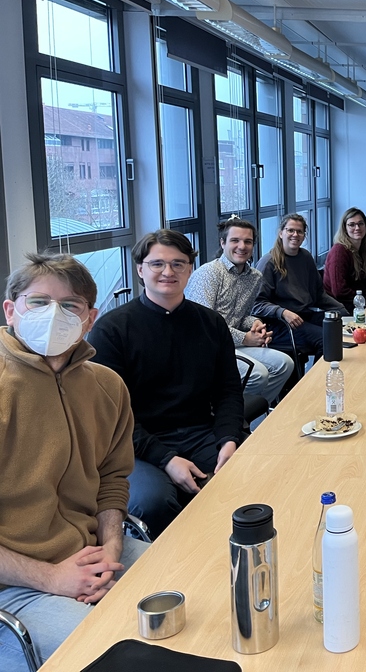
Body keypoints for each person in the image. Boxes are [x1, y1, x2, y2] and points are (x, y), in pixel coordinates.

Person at [0, 254, 146, 669]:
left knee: (197, 590)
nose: (53, 314)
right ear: (10, 311)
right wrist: (52, 578)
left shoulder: (106, 386)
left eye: (70, 305)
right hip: (13, 584)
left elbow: (112, 478)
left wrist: (111, 546)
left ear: (89, 319)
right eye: (38, 302)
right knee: (116, 653)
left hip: (91, 551)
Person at [90, 229, 245, 538]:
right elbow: (112, 418)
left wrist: (229, 438)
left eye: (178, 264)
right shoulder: (111, 330)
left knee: (248, 474)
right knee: (154, 502)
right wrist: (167, 459)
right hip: (135, 444)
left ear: (190, 269)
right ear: (140, 270)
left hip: (200, 430)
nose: (168, 272)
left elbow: (228, 391)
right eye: (157, 264)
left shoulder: (211, 323)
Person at [185, 218, 294, 407]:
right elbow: (205, 326)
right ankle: (230, 415)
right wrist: (245, 338)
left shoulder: (254, 277)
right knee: (257, 374)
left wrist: (255, 323)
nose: (242, 246)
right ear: (223, 243)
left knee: (285, 364)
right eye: (235, 240)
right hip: (208, 348)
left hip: (233, 344)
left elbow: (241, 316)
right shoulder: (209, 274)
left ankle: (252, 413)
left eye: (248, 241)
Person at [253, 213, 345, 359]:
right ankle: (321, 375)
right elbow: (256, 304)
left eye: (299, 231)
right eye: (290, 230)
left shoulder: (305, 257)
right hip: (280, 323)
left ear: (304, 235)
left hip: (304, 316)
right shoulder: (269, 262)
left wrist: (342, 311)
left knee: (340, 325)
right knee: (327, 340)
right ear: (281, 233)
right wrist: (283, 312)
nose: (295, 235)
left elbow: (318, 295)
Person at [324, 207, 366, 312]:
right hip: (341, 307)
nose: (357, 228)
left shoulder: (363, 250)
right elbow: (339, 291)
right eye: (352, 224)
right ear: (344, 228)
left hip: (358, 304)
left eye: (360, 224)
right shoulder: (339, 251)